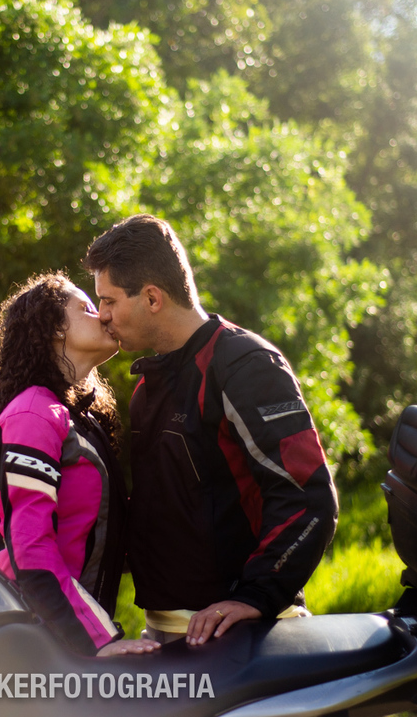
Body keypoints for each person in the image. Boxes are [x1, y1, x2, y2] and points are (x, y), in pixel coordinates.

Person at [83, 214, 339, 646]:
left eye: (108, 301)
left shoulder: (244, 363)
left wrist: (257, 597)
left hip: (241, 632)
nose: (102, 316)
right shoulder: (149, 381)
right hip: (166, 631)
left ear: (151, 297)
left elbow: (308, 496)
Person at [0, 272, 160, 657]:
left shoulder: (77, 416)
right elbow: (29, 549)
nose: (105, 317)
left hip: (64, 643)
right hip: (39, 647)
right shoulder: (33, 413)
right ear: (54, 330)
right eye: (88, 308)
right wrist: (95, 643)